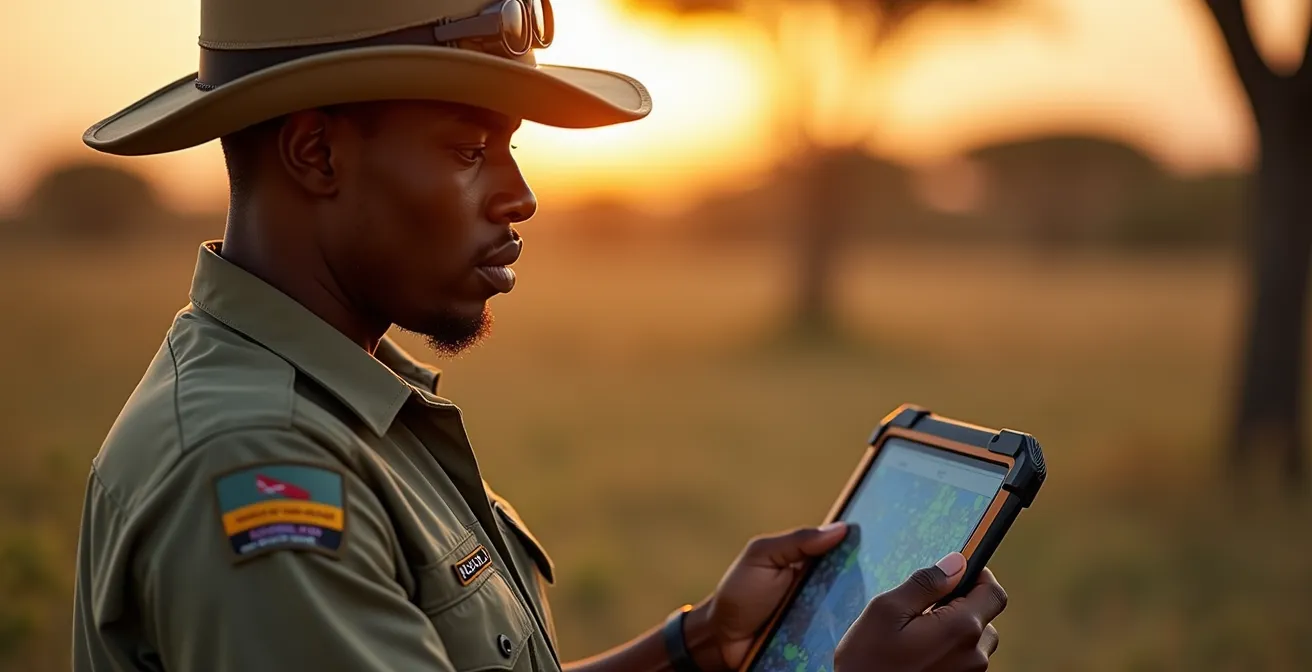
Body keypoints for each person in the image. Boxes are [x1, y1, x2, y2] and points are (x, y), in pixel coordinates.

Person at [71, 0, 1010, 670]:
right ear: (316, 153)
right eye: (468, 150)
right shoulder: (256, 465)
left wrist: (697, 648)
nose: (518, 196)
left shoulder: (334, 403)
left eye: (512, 148)